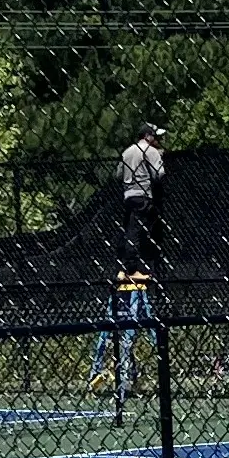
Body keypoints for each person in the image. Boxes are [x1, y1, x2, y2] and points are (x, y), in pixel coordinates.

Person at [96, 122, 167, 392]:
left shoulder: (127, 151)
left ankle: (128, 266)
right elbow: (160, 175)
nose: (158, 141)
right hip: (143, 195)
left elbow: (118, 174)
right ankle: (137, 267)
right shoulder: (149, 150)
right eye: (156, 137)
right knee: (142, 231)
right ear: (148, 137)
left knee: (130, 230)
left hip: (128, 195)